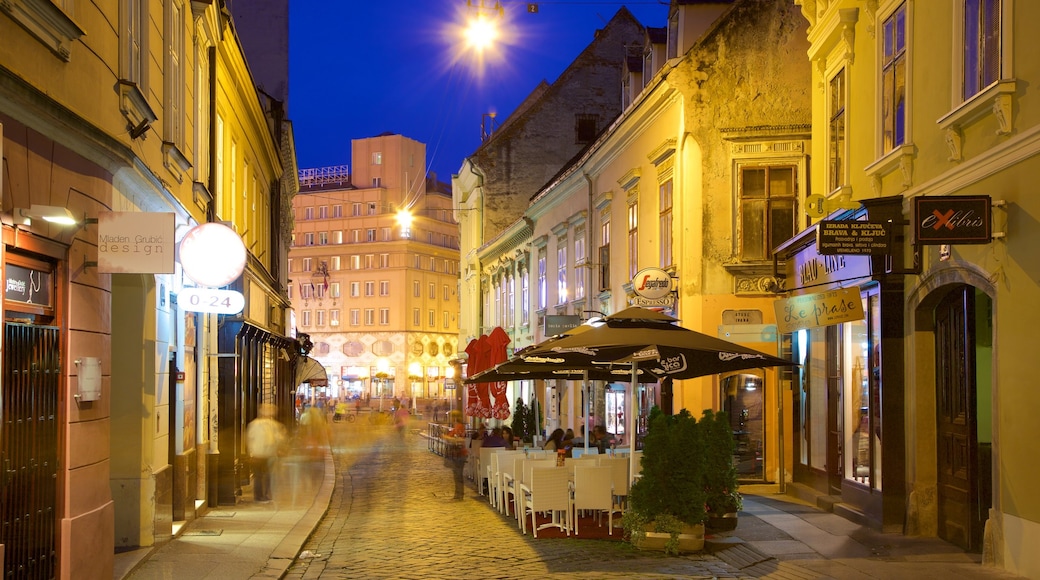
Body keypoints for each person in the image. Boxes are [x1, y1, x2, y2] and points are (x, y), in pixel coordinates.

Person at [245, 404, 287, 503]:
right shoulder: (274, 425)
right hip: (269, 454)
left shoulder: (253, 424)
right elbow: (279, 439)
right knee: (269, 475)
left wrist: (250, 452)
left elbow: (249, 439)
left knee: (258, 476)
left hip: (257, 454)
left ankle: (258, 496)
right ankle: (267, 495)